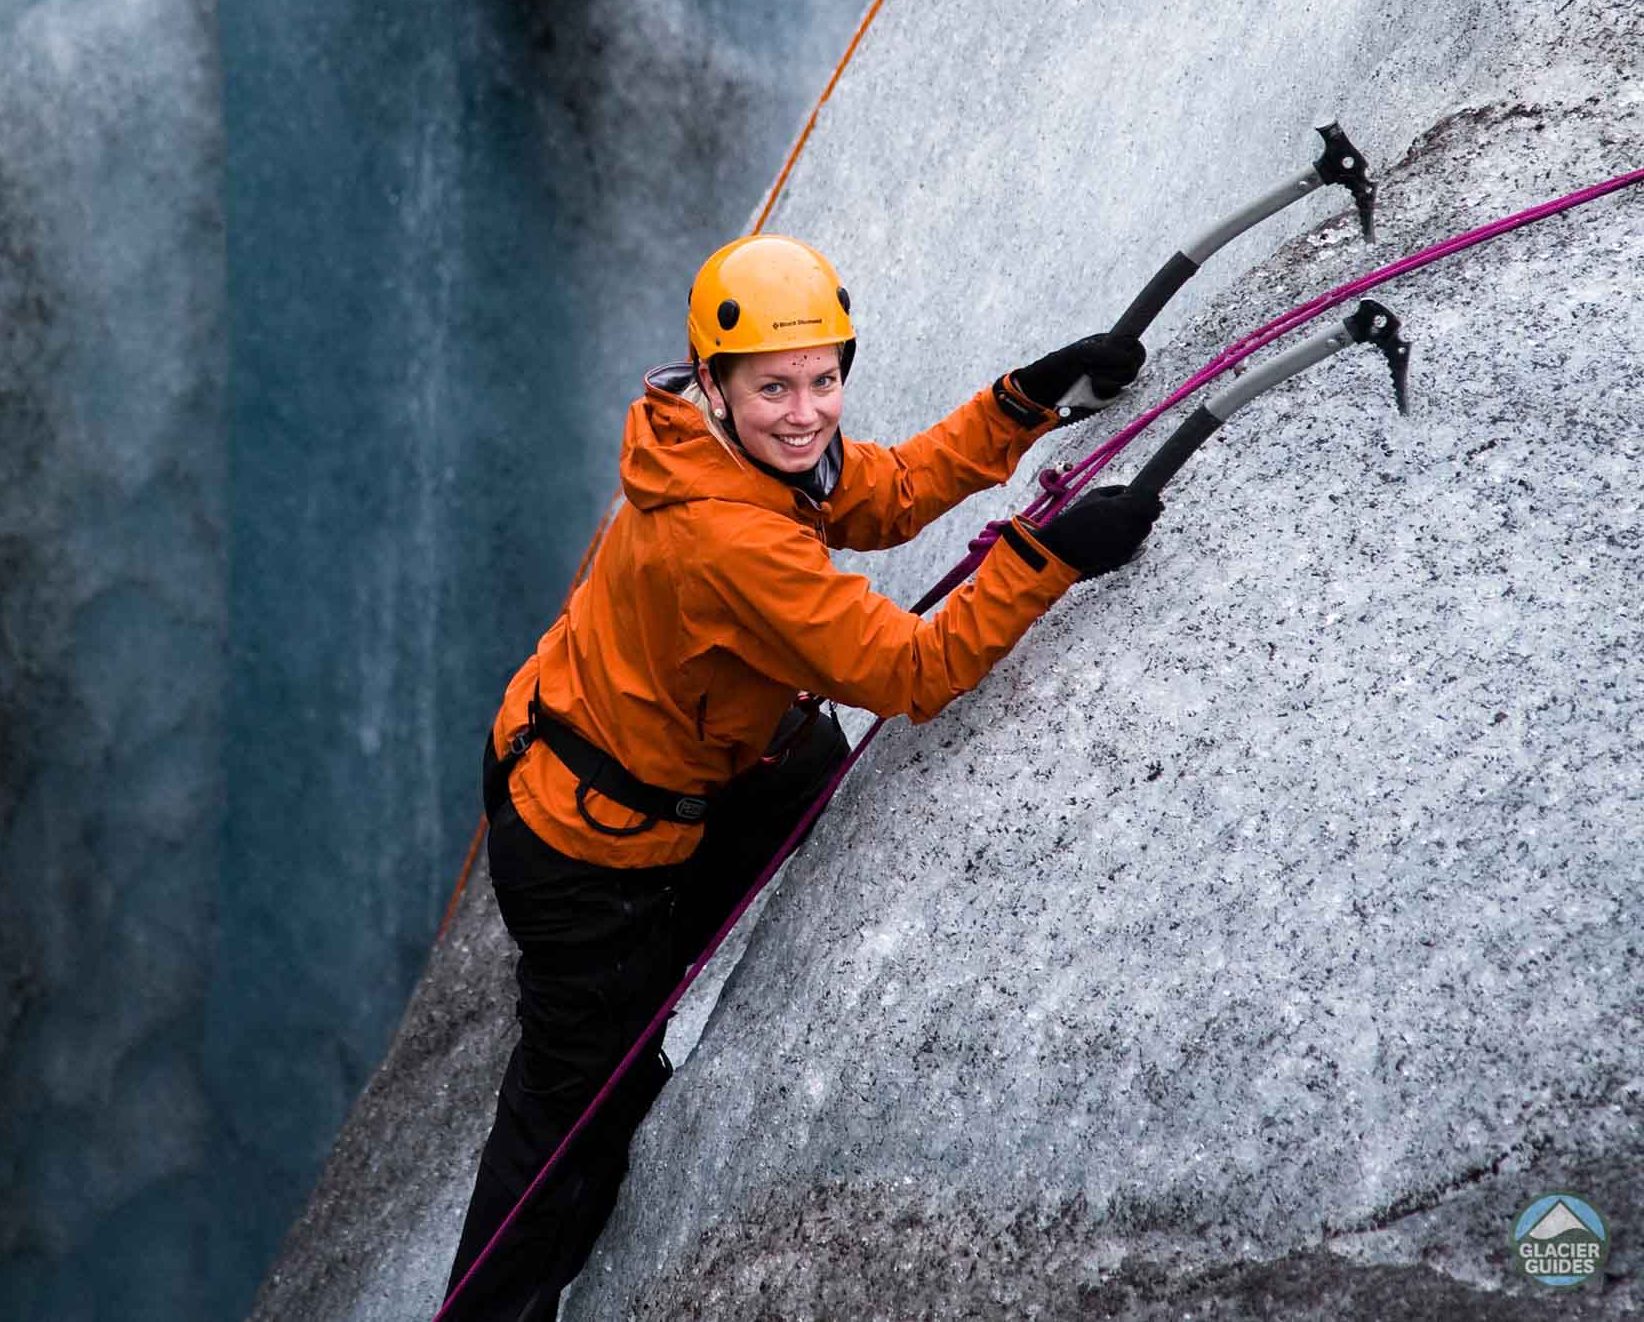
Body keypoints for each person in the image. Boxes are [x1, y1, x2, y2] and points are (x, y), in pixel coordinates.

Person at [443, 234, 1159, 1319]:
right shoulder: (731, 539)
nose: (805, 409)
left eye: (823, 379)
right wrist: (1046, 558)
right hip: (586, 852)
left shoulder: (707, 447)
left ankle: (642, 986)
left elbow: (888, 490)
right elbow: (913, 671)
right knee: (576, 1106)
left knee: (800, 749)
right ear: (717, 386)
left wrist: (1024, 399)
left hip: (578, 749)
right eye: (773, 386)